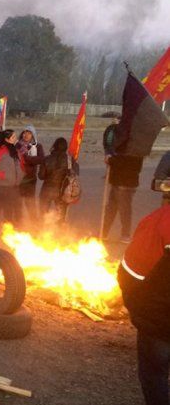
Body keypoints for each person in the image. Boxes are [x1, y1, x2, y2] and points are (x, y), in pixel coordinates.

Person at [117, 205, 170, 405]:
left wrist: (137, 309)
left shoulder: (160, 220)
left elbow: (131, 271)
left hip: (160, 320)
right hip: (159, 314)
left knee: (155, 374)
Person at [102, 153, 144, 243]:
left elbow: (122, 162)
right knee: (113, 208)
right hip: (123, 182)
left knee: (123, 210)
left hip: (123, 182)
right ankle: (104, 232)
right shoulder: (138, 150)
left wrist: (110, 160)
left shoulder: (128, 149)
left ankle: (125, 235)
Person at [0, 130, 22, 226]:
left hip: (12, 185)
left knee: (9, 207)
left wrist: (19, 177)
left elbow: (19, 165)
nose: (16, 139)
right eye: (13, 137)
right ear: (7, 139)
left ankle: (8, 227)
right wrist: (3, 176)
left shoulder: (15, 151)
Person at [39, 137, 78, 224]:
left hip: (47, 189)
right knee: (60, 216)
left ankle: (41, 232)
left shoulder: (47, 159)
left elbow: (41, 176)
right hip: (62, 191)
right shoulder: (69, 160)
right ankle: (60, 234)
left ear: (54, 146)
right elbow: (75, 174)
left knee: (43, 214)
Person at [16, 125, 45, 223]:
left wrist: (26, 159)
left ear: (33, 135)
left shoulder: (37, 146)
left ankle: (34, 223)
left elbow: (41, 159)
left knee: (30, 202)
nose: (26, 135)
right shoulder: (17, 145)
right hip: (18, 178)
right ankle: (18, 223)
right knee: (18, 202)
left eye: (29, 133)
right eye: (25, 132)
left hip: (30, 179)